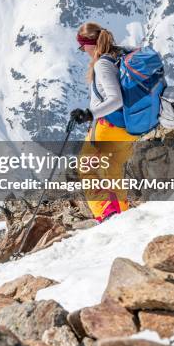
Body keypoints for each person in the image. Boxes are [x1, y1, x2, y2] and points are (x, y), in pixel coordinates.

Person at [71, 22, 138, 223]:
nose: (83, 51)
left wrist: (89, 114)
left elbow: (115, 99)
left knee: (86, 168)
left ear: (90, 44)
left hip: (109, 128)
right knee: (112, 169)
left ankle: (107, 214)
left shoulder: (102, 64)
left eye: (82, 46)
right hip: (129, 127)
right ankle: (121, 213)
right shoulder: (122, 54)